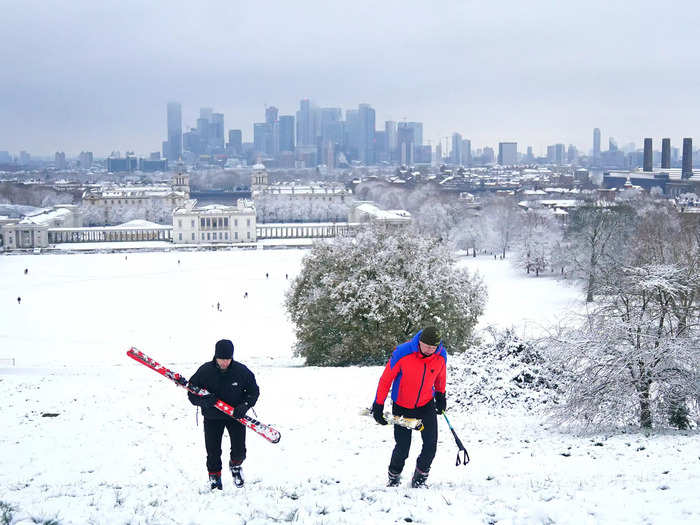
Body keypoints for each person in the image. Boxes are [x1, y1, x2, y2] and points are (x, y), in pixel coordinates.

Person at [372, 326, 447, 488]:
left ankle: (419, 479)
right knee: (403, 447)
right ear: (419, 341)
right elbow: (386, 379)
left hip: (426, 405)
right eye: (426, 346)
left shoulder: (441, 355)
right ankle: (394, 476)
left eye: (433, 347)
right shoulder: (402, 352)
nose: (429, 350)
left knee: (430, 445)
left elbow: (440, 377)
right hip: (402, 407)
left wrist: (441, 396)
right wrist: (378, 404)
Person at [188, 339, 260, 490]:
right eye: (222, 359)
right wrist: (205, 402)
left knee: (239, 451)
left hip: (235, 416)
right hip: (212, 417)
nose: (225, 362)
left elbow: (254, 391)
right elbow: (192, 394)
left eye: (228, 359)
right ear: (215, 356)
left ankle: (235, 466)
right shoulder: (205, 371)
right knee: (213, 451)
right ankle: (214, 477)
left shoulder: (241, 371)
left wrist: (245, 405)